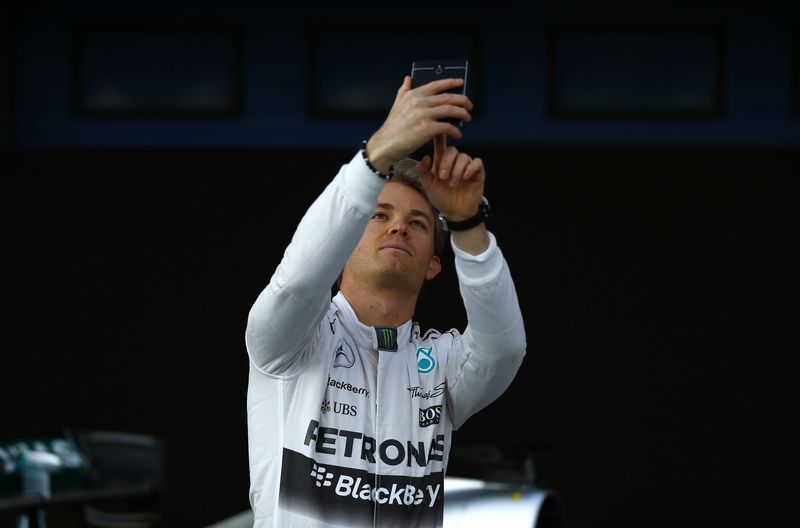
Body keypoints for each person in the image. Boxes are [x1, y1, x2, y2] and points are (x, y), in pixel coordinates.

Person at [244, 74, 527, 527]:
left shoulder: (440, 364)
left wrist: (467, 222)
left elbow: (504, 349)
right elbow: (297, 282)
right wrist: (377, 155)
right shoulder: (291, 341)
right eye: (379, 215)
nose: (398, 228)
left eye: (417, 223)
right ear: (341, 247)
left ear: (434, 263)